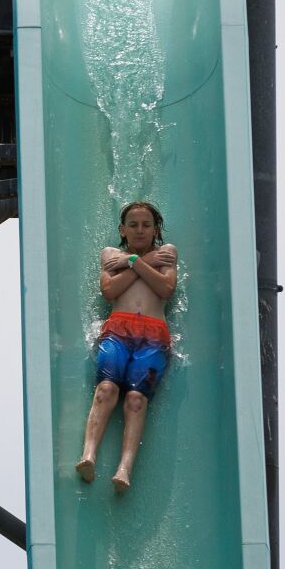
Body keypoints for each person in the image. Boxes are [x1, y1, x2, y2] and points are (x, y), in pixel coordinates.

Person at [75, 201, 178, 494]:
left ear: (156, 229)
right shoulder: (111, 254)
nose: (140, 230)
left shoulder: (167, 252)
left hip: (154, 336)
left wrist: (131, 263)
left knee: (135, 399)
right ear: (122, 229)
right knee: (106, 389)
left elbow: (165, 289)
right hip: (118, 329)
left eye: (146, 225)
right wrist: (139, 262)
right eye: (133, 225)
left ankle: (124, 468)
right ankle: (89, 454)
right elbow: (109, 291)